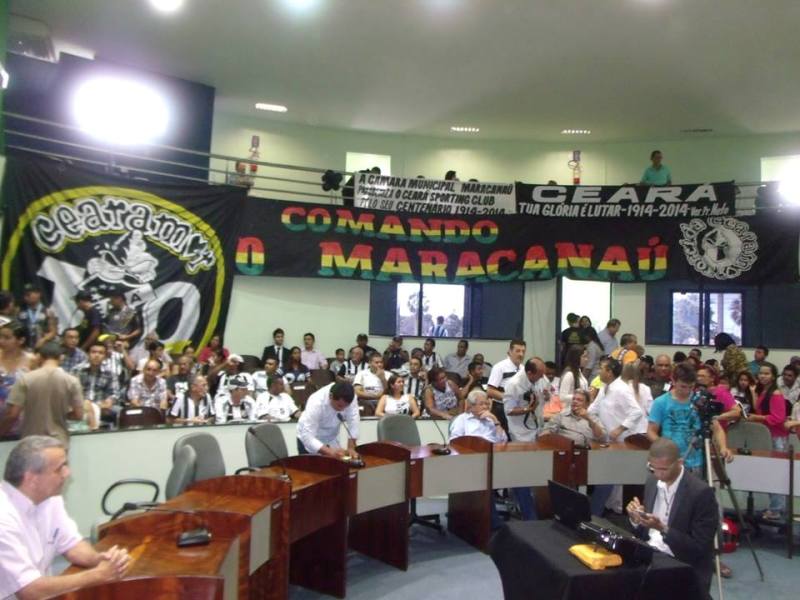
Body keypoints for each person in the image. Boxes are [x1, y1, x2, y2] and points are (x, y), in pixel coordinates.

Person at [0, 436, 131, 598]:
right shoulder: (3, 519)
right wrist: (98, 574)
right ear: (32, 478)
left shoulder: (49, 499)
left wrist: (98, 559)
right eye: (59, 468)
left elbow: (71, 545)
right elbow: (29, 590)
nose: (67, 473)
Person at [626, 438, 717, 594]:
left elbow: (699, 547)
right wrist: (637, 520)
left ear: (680, 463)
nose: (658, 474)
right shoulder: (652, 482)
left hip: (680, 560)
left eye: (664, 469)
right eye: (653, 468)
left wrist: (663, 528)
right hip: (651, 552)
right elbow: (644, 533)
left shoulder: (701, 493)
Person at [450, 389, 537, 523]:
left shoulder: (490, 420)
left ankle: (531, 520)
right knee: (485, 479)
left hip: (496, 460)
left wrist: (496, 421)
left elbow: (503, 441)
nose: (485, 407)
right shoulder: (462, 420)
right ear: (471, 406)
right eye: (481, 404)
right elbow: (454, 442)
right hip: (473, 464)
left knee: (520, 477)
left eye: (487, 404)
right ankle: (494, 525)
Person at [647, 362, 733, 475]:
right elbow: (651, 431)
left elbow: (716, 428)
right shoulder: (661, 402)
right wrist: (665, 446)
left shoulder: (700, 401)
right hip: (670, 461)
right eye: (683, 386)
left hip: (696, 462)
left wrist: (723, 447)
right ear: (673, 381)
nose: (687, 391)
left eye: (691, 387)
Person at [0, 342, 83, 446]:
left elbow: (12, 414)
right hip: (59, 441)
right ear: (61, 358)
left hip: (31, 441)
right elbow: (79, 415)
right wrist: (59, 414)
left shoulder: (25, 379)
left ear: (39, 357)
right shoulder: (72, 381)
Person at [748, 362, 788, 520]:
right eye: (761, 373)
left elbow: (778, 418)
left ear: (773, 376)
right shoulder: (763, 391)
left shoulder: (776, 394)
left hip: (776, 437)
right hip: (766, 436)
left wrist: (757, 418)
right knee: (770, 473)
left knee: (776, 474)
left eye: (767, 374)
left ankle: (777, 509)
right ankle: (775, 507)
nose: (763, 376)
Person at [296, 382, 360, 458]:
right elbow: (307, 437)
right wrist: (330, 452)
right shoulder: (316, 402)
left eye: (346, 407)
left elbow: (354, 423)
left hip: (331, 439)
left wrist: (351, 448)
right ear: (330, 396)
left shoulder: (352, 398)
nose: (342, 409)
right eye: (339, 406)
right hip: (310, 439)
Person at [589, 358, 647, 442]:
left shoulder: (621, 389)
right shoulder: (604, 387)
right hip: (605, 437)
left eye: (601, 369)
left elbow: (637, 412)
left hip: (621, 440)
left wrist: (619, 429)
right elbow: (593, 409)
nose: (598, 372)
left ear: (609, 372)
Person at [72, 342, 120, 425]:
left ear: (105, 357)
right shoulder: (77, 370)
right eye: (93, 352)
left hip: (101, 405)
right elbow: (71, 391)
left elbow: (115, 393)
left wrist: (110, 400)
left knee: (119, 412)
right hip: (81, 405)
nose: (96, 355)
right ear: (88, 354)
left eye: (100, 353)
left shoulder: (110, 373)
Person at [0, 321, 33, 439]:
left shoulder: (32, 360)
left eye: (7, 338)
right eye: (0, 336)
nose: (1, 341)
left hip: (22, 415)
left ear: (21, 340)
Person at [541, 389, 606, 445]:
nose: (575, 401)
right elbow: (547, 431)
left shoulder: (593, 418)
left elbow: (602, 437)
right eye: (573, 399)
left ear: (587, 404)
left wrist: (588, 419)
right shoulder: (561, 416)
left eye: (579, 400)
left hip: (586, 453)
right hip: (564, 450)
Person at [487, 339, 527, 431]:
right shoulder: (499, 367)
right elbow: (490, 391)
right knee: (502, 440)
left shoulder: (523, 369)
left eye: (523, 351)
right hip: (501, 408)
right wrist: (509, 398)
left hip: (518, 409)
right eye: (518, 351)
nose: (521, 354)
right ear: (510, 352)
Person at [502, 358, 545, 442]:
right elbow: (509, 410)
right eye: (540, 375)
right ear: (530, 373)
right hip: (521, 433)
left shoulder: (539, 378)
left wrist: (546, 395)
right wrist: (528, 409)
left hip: (537, 427)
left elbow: (545, 392)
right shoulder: (513, 384)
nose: (543, 377)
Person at [16, 284, 57, 350]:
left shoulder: (48, 311)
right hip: (24, 346)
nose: (26, 298)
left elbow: (53, 331)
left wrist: (43, 340)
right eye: (25, 295)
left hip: (42, 346)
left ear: (38, 294)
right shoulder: (20, 310)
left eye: (28, 295)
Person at [558, 346, 589, 413]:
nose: (586, 359)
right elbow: (562, 397)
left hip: (579, 411)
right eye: (584, 356)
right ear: (576, 357)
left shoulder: (579, 372)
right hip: (569, 412)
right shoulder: (569, 374)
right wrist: (581, 397)